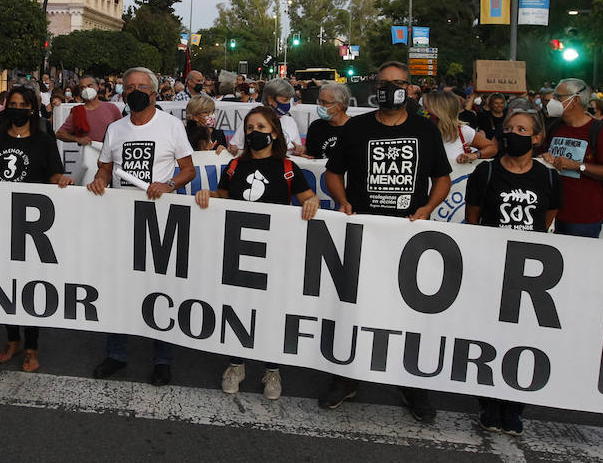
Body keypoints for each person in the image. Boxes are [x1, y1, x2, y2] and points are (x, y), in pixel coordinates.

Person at [321, 60, 452, 423]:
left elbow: (443, 177)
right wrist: (343, 200)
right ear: (375, 89)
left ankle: (413, 385)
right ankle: (345, 378)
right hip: (364, 234)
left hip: (408, 236)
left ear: (410, 89)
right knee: (353, 308)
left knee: (408, 313)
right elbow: (333, 173)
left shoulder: (425, 131)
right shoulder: (357, 127)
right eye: (384, 83)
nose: (390, 88)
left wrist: (427, 207)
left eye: (398, 83)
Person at [196, 105, 319, 400]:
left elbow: (307, 197)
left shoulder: (289, 169)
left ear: (274, 133)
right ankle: (236, 365)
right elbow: (224, 196)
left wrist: (312, 202)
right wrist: (207, 194)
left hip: (275, 252)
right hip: (240, 250)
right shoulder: (235, 167)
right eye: (250, 128)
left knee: (272, 311)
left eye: (261, 128)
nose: (255, 134)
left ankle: (272, 368)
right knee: (238, 306)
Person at [88, 67, 196, 387]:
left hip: (158, 222)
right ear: (122, 93)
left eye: (142, 86)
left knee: (158, 290)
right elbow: (105, 167)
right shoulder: (116, 129)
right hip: (121, 221)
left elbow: (188, 170)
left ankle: (162, 359)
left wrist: (169, 185)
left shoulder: (171, 127)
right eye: (130, 86)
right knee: (118, 288)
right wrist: (99, 180)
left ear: (154, 92)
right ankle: (116, 353)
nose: (136, 91)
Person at [464, 106, 561, 435]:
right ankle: (488, 403)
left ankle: (513, 406)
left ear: (536, 138)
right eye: (509, 128)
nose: (514, 134)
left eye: (522, 130)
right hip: (492, 268)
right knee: (490, 337)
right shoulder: (485, 173)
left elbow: (547, 218)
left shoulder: (548, 176)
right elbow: (473, 217)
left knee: (522, 340)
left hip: (531, 275)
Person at [0, 85, 71, 372]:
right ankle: (12, 340)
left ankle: (31, 346)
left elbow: (54, 174)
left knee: (30, 286)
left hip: (33, 228)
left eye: (23, 105)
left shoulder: (43, 140)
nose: (17, 109)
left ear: (31, 108)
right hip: (2, 224)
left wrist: (62, 181)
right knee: (5, 284)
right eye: (12, 104)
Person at [541, 78, 603, 238]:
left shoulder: (598, 131)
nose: (553, 101)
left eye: (558, 97)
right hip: (551, 211)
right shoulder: (555, 127)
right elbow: (542, 153)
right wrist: (544, 156)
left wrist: (578, 166)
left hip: (582, 216)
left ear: (575, 100)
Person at [423, 90, 498, 166]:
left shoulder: (462, 130)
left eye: (426, 107)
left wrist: (475, 155)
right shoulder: (420, 130)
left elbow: (492, 148)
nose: (423, 111)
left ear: (441, 111)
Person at [55, 75, 122, 146]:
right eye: (82, 88)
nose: (86, 89)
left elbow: (123, 129)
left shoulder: (111, 108)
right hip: (89, 154)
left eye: (89, 86)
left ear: (97, 87)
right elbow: (60, 134)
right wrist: (77, 139)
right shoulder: (78, 112)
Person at [303, 83, 351, 160]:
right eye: (319, 101)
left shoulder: (355, 128)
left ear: (339, 106)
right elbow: (310, 156)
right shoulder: (316, 126)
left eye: (324, 102)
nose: (320, 106)